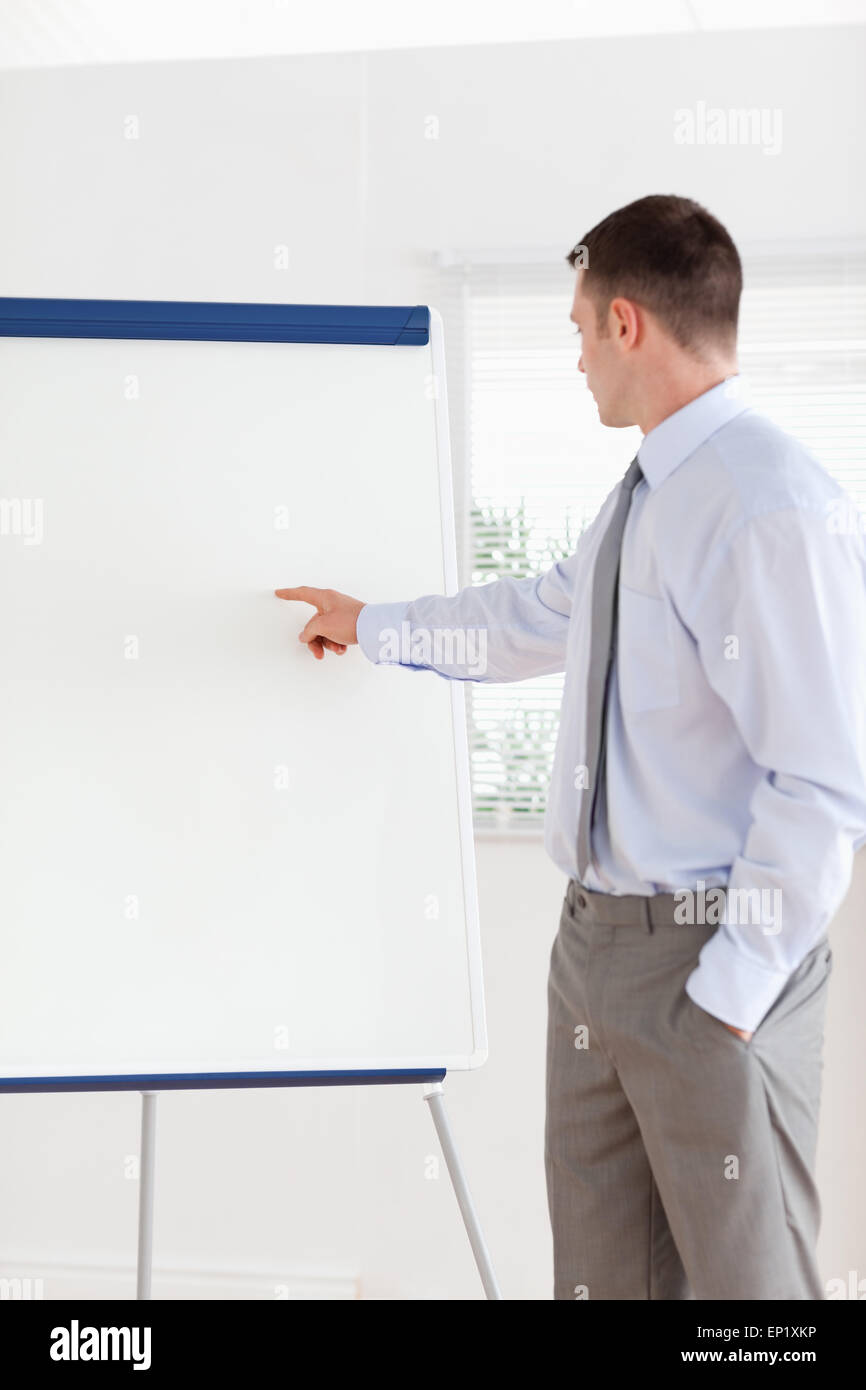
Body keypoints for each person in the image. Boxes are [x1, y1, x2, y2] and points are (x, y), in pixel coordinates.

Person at [275, 194, 866, 1300]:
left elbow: (824, 778)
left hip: (705, 957)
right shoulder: (642, 497)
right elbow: (538, 620)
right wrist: (375, 623)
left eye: (578, 328)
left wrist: (729, 992)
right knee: (601, 1282)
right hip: (593, 951)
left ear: (627, 322)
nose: (576, 357)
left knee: (749, 1300)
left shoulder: (766, 504)